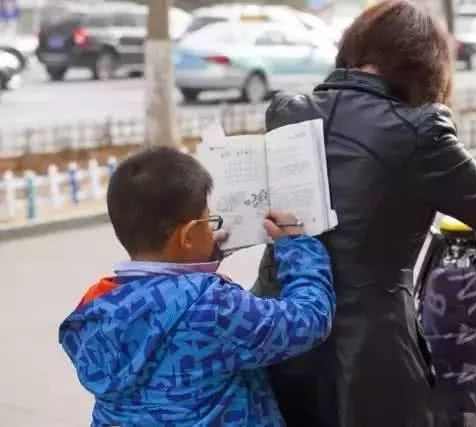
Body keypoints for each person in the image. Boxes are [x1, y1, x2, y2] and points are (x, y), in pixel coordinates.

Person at [252, 2, 476, 426]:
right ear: (427, 63)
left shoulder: (287, 111)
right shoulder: (420, 130)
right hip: (368, 349)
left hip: (277, 329)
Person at [58, 147, 335, 427]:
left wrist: (196, 261)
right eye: (207, 221)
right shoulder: (211, 307)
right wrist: (299, 249)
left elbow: (162, 301)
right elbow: (309, 319)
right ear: (188, 235)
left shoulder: (96, 306)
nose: (212, 227)